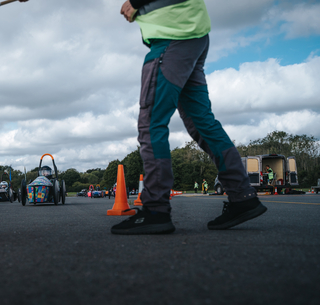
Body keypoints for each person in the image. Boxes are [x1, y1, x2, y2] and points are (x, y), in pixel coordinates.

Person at [111, 0, 267, 235]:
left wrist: (136, 2)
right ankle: (242, 197)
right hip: (192, 34)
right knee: (202, 123)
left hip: (172, 36)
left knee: (152, 122)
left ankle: (155, 210)